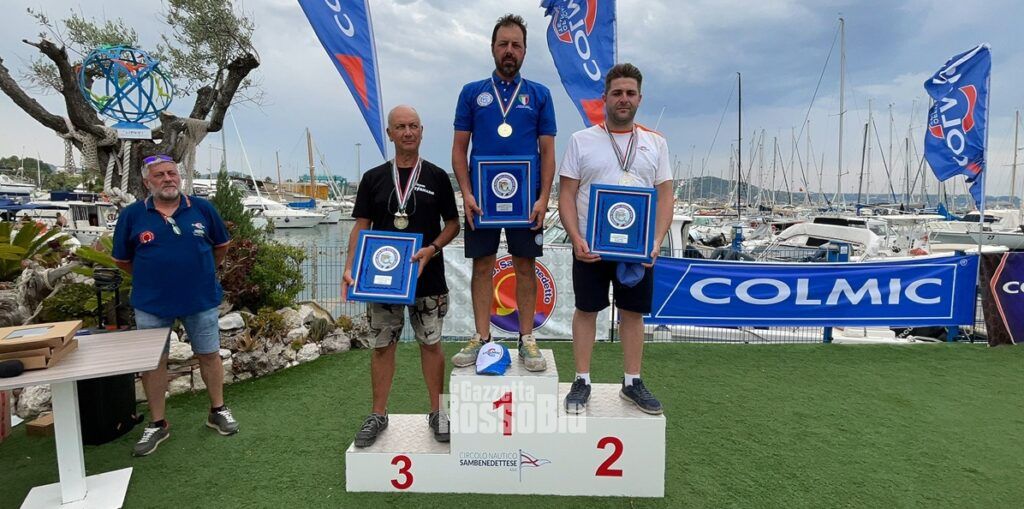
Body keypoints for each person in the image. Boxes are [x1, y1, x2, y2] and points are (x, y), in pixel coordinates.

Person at [557, 63, 674, 415]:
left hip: (637, 249)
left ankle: (632, 382)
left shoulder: (656, 143)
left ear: (640, 98)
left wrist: (656, 240)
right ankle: (581, 379)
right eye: (617, 93)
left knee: (633, 313)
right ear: (605, 98)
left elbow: (666, 197)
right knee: (586, 310)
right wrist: (575, 238)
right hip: (590, 246)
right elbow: (566, 194)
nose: (624, 99)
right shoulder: (581, 140)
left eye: (630, 93)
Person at [342, 105, 461, 447]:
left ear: (422, 131)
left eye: (413, 126)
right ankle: (378, 414)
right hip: (382, 282)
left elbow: (453, 224)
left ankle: (437, 412)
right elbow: (361, 226)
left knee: (431, 344)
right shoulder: (373, 178)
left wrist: (433, 248)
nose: (408, 132)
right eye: (400, 127)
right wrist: (350, 267)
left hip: (428, 276)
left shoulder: (437, 177)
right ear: (390, 134)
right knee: (382, 347)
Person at [450, 13, 556, 371]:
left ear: (525, 50)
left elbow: (548, 152)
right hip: (482, 200)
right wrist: (466, 193)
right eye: (503, 44)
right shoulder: (471, 93)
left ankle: (527, 338)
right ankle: (482, 337)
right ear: (492, 48)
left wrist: (544, 198)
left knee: (525, 266)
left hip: (527, 201)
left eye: (516, 45)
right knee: (483, 266)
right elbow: (459, 150)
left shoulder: (540, 95)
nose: (509, 50)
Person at [111, 154, 236, 456]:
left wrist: (201, 272)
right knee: (154, 362)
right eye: (160, 175)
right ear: (147, 182)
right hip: (151, 303)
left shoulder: (202, 208)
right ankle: (158, 424)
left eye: (172, 173)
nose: (168, 179)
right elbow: (122, 260)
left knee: (209, 355)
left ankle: (217, 410)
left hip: (200, 299)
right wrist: (152, 278)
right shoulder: (132, 215)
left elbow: (221, 246)